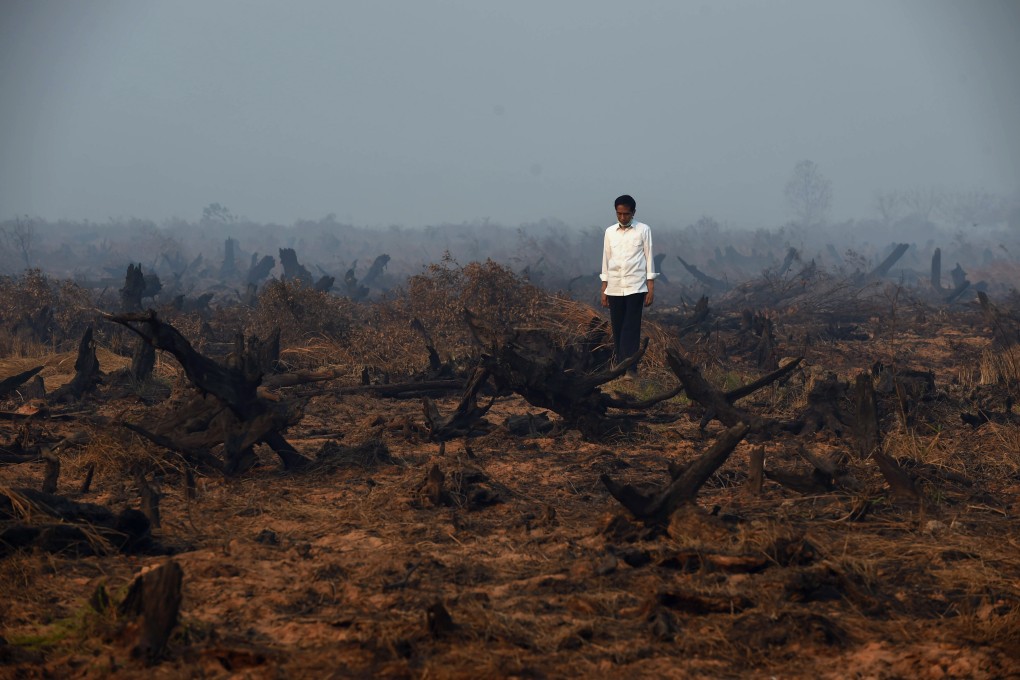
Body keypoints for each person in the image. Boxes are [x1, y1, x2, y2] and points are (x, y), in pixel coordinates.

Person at [600, 194, 658, 378]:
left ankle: (631, 369)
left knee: (631, 327)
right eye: (619, 214)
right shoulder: (609, 232)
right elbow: (606, 259)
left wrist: (651, 285)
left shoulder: (643, 230)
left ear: (633, 212)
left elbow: (649, 257)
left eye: (626, 214)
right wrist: (604, 287)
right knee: (617, 327)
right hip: (615, 285)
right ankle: (620, 367)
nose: (623, 218)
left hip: (636, 286)